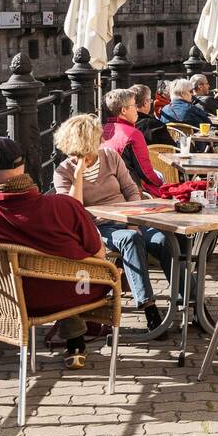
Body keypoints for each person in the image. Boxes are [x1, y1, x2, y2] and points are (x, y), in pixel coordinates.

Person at [0, 137, 109, 369]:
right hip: (72, 297)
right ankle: (75, 340)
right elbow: (99, 255)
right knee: (75, 267)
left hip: (7, 301)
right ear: (22, 168)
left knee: (48, 272)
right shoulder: (65, 206)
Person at [53, 114, 171, 335]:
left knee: (165, 240)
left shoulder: (109, 157)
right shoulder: (64, 172)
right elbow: (73, 210)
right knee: (130, 239)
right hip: (98, 228)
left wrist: (134, 222)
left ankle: (189, 302)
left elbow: (131, 190)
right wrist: (78, 174)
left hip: (129, 218)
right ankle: (148, 307)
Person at [101, 88, 170, 198]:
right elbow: (146, 173)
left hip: (105, 188)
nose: (136, 110)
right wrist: (163, 183)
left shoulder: (101, 130)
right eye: (134, 106)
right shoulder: (133, 134)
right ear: (124, 110)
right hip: (130, 191)